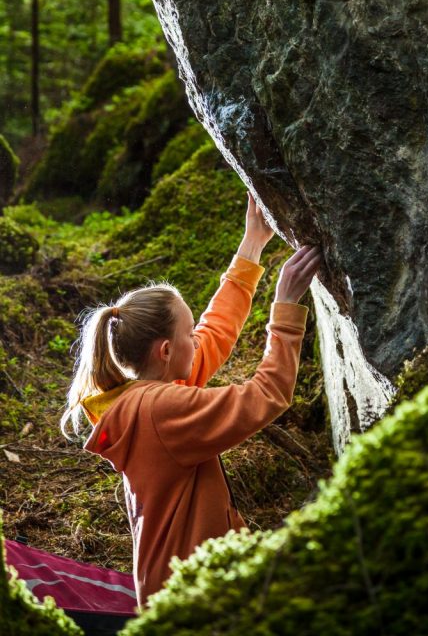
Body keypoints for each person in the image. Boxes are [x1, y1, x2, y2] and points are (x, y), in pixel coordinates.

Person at [61, 192, 322, 607]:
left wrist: (251, 245)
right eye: (186, 335)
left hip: (177, 581)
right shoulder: (162, 410)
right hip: (193, 596)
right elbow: (267, 395)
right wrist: (285, 310)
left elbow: (213, 333)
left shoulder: (144, 394)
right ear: (165, 352)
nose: (195, 341)